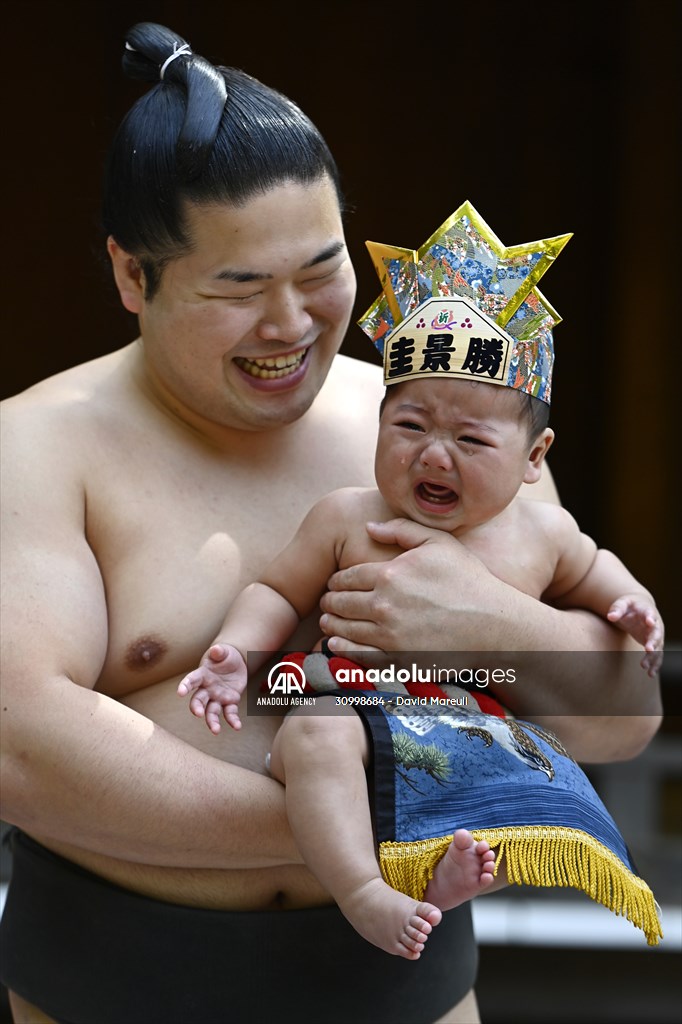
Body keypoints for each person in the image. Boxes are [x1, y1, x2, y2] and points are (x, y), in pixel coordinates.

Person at [0, 21, 662, 1024]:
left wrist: (485, 627)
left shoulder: (439, 425)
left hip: (407, 992)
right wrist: (350, 826)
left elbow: (619, 718)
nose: (292, 322)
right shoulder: (39, 449)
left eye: (319, 271)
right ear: (134, 275)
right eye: (240, 287)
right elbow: (22, 748)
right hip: (122, 984)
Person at [178, 364, 664, 959]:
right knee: (312, 734)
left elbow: (596, 572)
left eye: (471, 440)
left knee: (523, 785)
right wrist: (235, 654)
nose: (434, 456)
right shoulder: (347, 516)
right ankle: (362, 890)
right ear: (377, 427)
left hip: (470, 722)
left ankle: (442, 888)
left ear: (534, 456)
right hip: (358, 699)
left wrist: (634, 605)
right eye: (409, 426)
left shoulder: (546, 533)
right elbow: (278, 592)